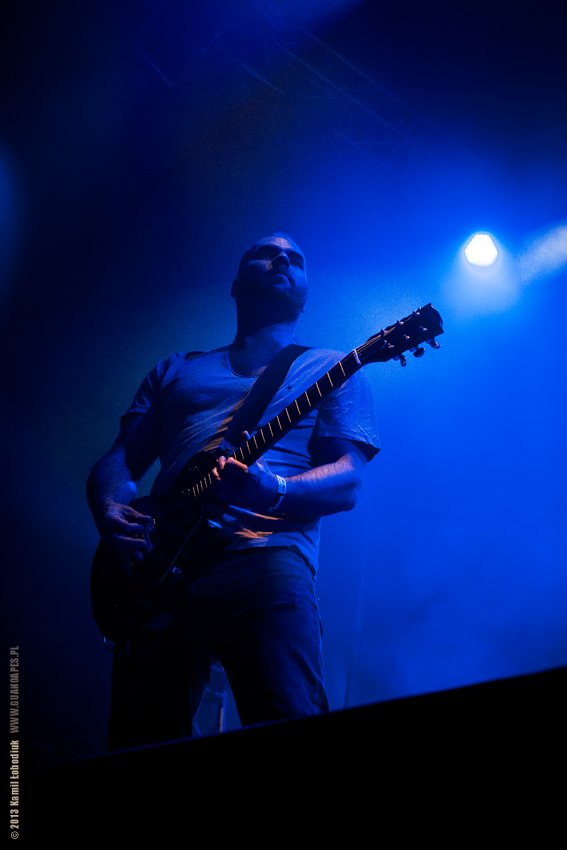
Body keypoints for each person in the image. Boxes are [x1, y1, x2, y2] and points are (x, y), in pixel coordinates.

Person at [87, 232, 380, 750]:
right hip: (160, 562)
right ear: (235, 283)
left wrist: (273, 489)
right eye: (267, 253)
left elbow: (349, 477)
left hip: (266, 556)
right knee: (139, 737)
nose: (283, 259)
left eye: (296, 258)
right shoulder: (176, 369)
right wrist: (111, 511)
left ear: (306, 289)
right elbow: (120, 460)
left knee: (287, 716)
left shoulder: (336, 366)